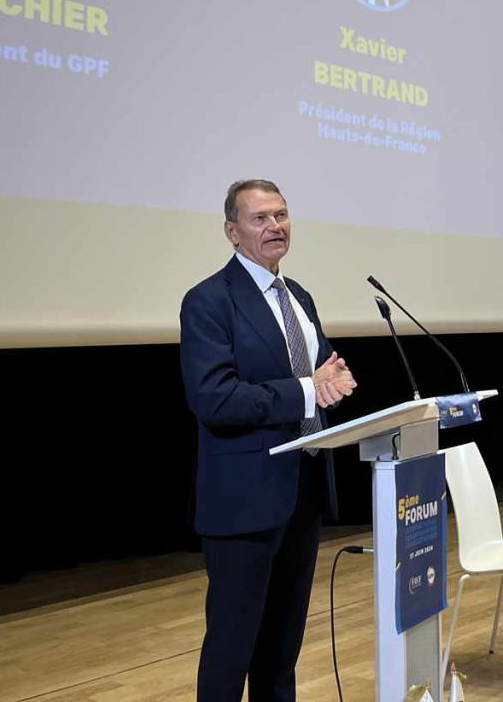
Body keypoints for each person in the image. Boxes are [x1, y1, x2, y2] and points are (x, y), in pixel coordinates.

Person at [180, 179, 358, 702]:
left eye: (281, 215)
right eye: (259, 219)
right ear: (233, 233)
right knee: (232, 649)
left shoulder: (297, 296)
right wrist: (308, 390)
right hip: (244, 500)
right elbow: (214, 398)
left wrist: (333, 379)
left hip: (301, 490)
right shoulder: (209, 301)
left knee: (282, 651)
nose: (274, 226)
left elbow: (319, 371)